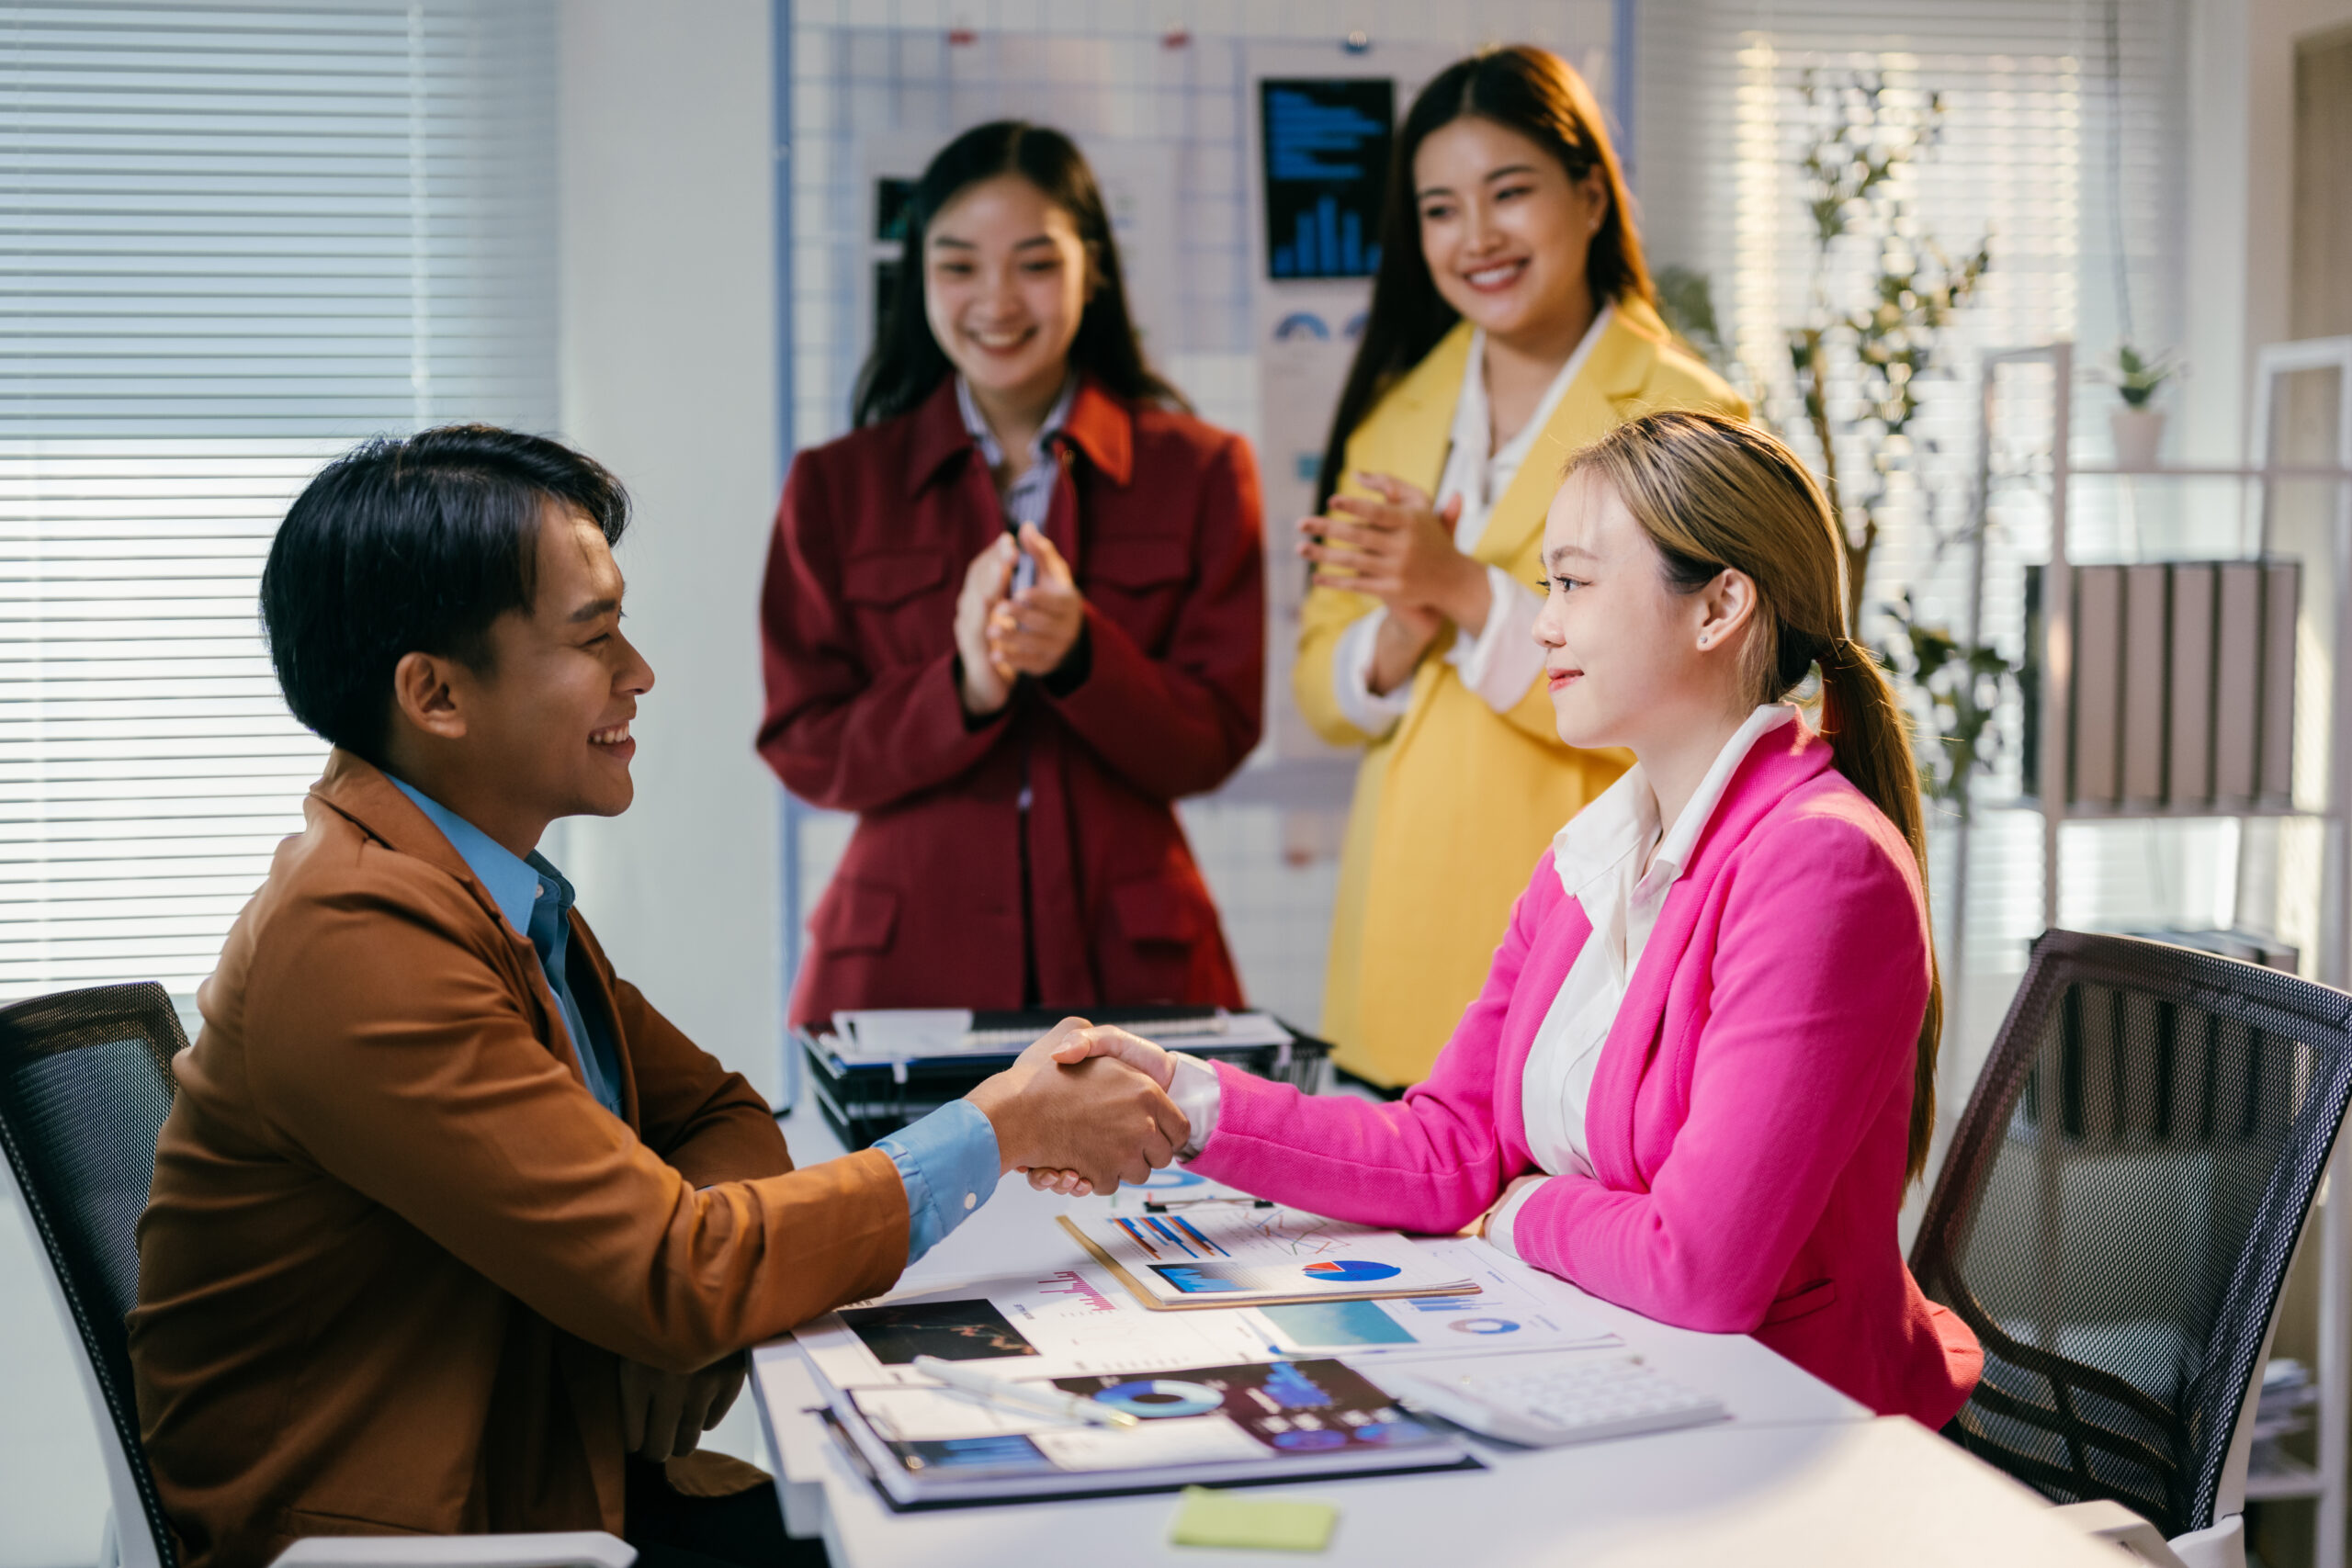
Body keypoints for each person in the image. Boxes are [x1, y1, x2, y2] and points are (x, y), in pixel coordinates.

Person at [128, 426, 1188, 1568]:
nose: (638, 673)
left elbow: (716, 1117)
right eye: (594, 639)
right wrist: (1000, 1127)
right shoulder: (357, 937)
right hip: (430, 1538)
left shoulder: (485, 890)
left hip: (548, 1473)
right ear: (435, 695)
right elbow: (685, 1273)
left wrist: (664, 1321)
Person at [1038, 412, 1985, 1427]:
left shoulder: (1819, 864)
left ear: (1718, 607)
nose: (1542, 624)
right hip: (1616, 1371)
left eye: (1573, 583)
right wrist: (1182, 1099)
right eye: (1547, 588)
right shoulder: (1593, 856)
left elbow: (1700, 1268)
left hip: (1787, 1425)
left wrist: (1525, 1208)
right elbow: (1448, 1149)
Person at [1298, 45, 1747, 1089]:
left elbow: (1695, 695)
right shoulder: (1393, 415)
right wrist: (1400, 633)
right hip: (1394, 952)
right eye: (1441, 208)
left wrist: (1459, 592)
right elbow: (1322, 693)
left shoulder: (1690, 415)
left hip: (1583, 950)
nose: (1476, 237)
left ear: (1590, 195)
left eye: (1509, 193)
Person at [760, 120, 1264, 1022]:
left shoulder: (1201, 470)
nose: (995, 300)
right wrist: (962, 689)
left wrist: (1083, 659)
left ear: (1091, 268)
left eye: (1034, 263)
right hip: (903, 972)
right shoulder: (838, 485)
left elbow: (1214, 736)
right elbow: (804, 743)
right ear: (917, 278)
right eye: (958, 266)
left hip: (1132, 968)